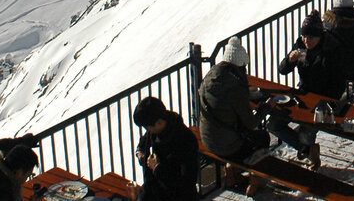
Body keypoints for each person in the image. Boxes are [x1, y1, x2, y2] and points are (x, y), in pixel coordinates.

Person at [197, 37, 268, 194]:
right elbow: (251, 123)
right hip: (226, 146)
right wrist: (268, 107)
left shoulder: (210, 77)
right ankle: (254, 182)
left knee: (236, 133)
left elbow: (222, 103)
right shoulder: (235, 88)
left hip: (207, 139)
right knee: (262, 138)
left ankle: (231, 174)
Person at [270, 12, 333, 168]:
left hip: (321, 98)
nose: (306, 40)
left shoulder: (328, 50)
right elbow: (282, 70)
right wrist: (289, 61)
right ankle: (308, 149)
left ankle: (310, 154)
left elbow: (336, 81)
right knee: (273, 125)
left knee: (307, 132)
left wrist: (328, 103)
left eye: (310, 37)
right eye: (304, 36)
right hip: (301, 94)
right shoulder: (300, 45)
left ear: (319, 36)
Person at [132, 97, 199, 201]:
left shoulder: (185, 139)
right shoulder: (155, 131)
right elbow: (143, 141)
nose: (147, 130)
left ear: (159, 122)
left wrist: (157, 168)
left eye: (147, 127)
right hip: (154, 190)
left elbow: (187, 183)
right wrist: (140, 152)